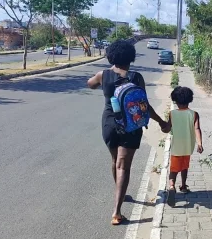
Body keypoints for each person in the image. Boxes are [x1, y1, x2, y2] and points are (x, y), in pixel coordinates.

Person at [87, 40, 170, 225]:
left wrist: (109, 71)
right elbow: (144, 106)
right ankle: (116, 212)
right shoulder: (136, 77)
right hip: (130, 126)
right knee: (123, 166)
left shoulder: (103, 75)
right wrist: (162, 122)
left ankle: (120, 195)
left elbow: (89, 84)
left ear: (111, 56)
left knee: (115, 161)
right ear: (131, 58)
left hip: (109, 124)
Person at [165, 86, 203, 207]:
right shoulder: (194, 114)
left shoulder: (172, 114)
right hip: (188, 146)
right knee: (184, 166)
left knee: (174, 169)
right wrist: (200, 143)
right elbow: (197, 128)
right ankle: (183, 185)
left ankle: (171, 186)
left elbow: (168, 127)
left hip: (176, 146)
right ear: (190, 99)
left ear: (175, 100)